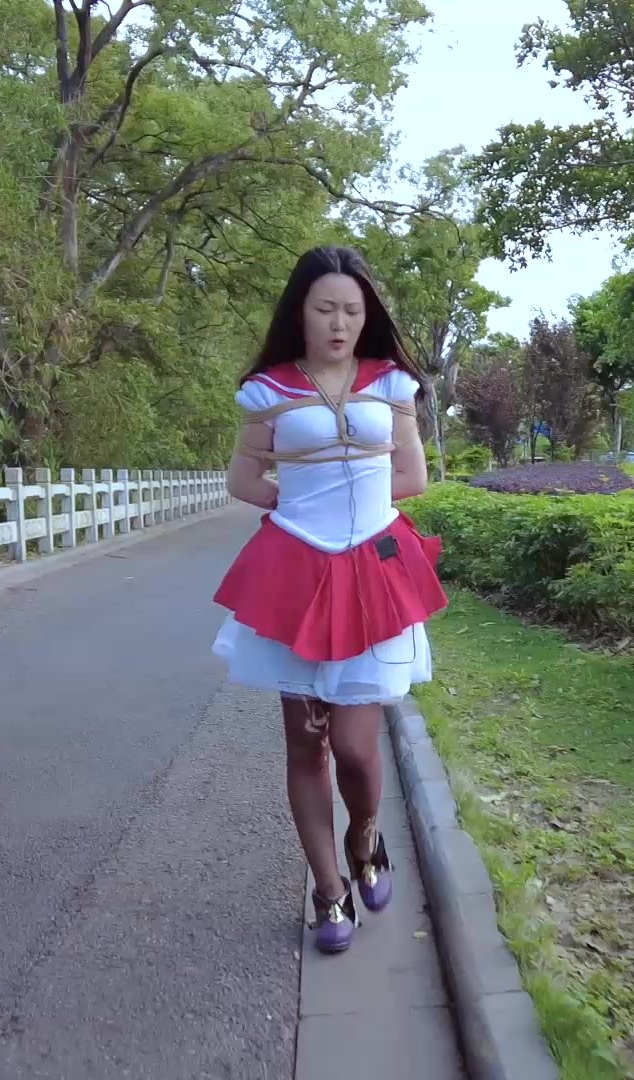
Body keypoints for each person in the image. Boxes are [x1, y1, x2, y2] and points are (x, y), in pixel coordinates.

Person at [216, 245, 448, 955]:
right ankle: (328, 891)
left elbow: (413, 477)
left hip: (374, 569)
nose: (339, 323)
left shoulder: (392, 385)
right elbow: (243, 481)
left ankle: (366, 836)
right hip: (296, 568)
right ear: (302, 313)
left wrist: (357, 495)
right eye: (325, 309)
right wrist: (299, 503)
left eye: (351, 310)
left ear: (366, 315)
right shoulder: (267, 392)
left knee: (353, 743)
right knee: (306, 741)